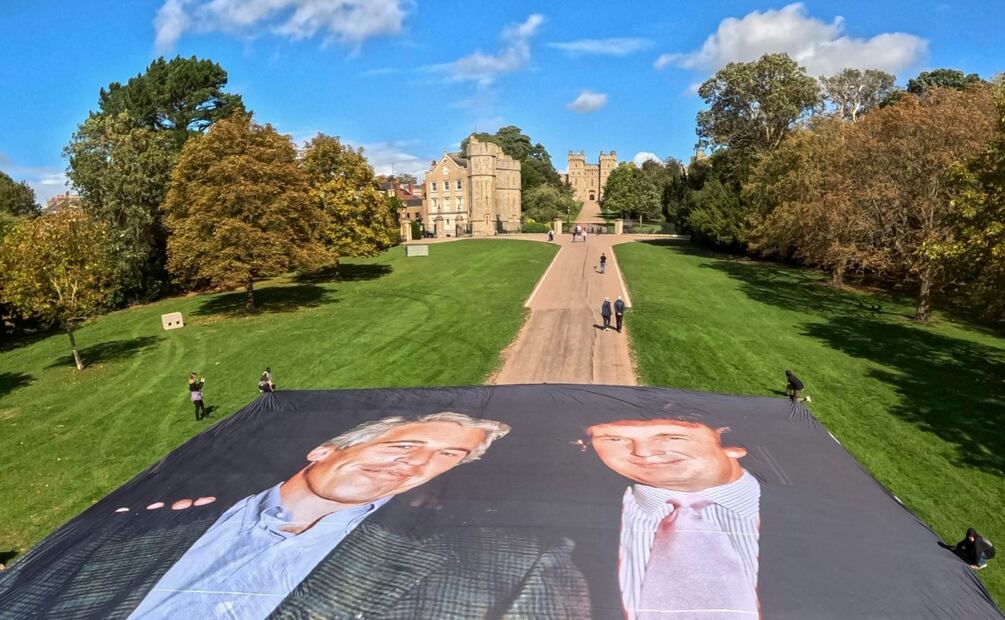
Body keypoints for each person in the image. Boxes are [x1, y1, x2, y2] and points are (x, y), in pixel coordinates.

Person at [123, 412, 589, 619]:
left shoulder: (506, 564)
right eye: (404, 444)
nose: (414, 463)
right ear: (324, 449)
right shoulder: (146, 526)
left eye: (446, 457)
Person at [587, 418, 761, 620]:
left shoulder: (801, 519)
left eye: (672, 436)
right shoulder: (574, 512)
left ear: (734, 445)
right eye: (615, 438)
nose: (643, 452)